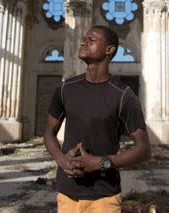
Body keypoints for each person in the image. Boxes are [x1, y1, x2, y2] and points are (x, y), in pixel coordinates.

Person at [44, 25, 151, 212]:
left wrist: (100, 163)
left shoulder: (123, 95)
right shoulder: (65, 88)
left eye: (91, 40)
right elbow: (48, 133)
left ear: (109, 50)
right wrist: (62, 161)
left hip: (104, 197)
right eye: (84, 39)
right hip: (67, 195)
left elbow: (144, 149)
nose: (84, 42)